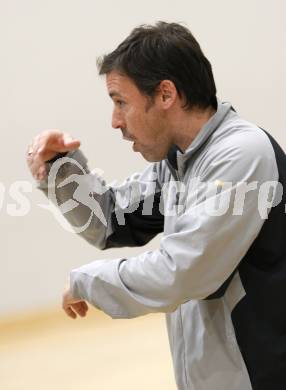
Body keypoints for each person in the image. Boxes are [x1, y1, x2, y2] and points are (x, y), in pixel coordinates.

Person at [26, 22, 286, 390]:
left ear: (166, 94)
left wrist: (86, 281)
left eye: (121, 102)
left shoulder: (241, 153)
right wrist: (60, 168)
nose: (115, 121)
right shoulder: (180, 163)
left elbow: (182, 272)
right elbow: (111, 219)